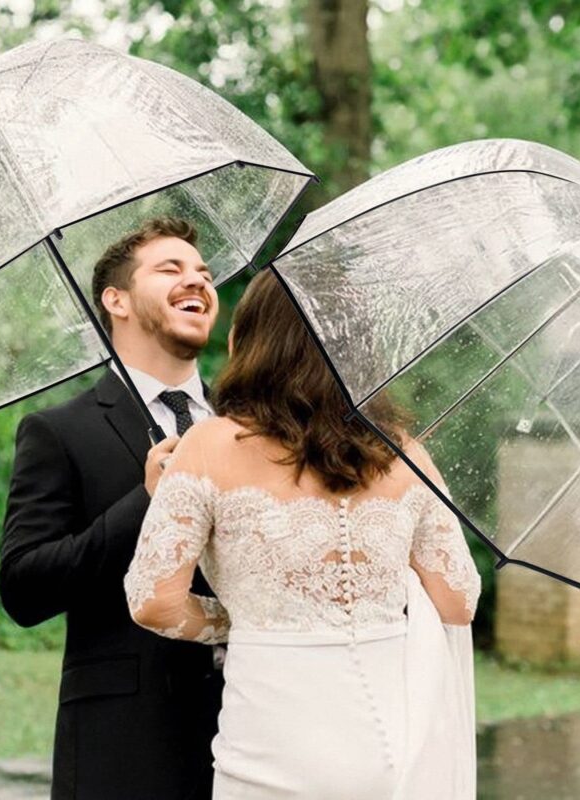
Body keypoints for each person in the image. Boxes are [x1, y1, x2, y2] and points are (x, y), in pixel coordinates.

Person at [124, 266, 483, 799]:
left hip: (270, 734)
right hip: (388, 739)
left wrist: (242, 619)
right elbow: (458, 601)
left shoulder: (207, 446)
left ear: (257, 340)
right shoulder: (402, 451)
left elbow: (152, 600)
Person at [0, 216, 226, 800]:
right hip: (123, 742)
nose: (197, 281)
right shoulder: (58, 430)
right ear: (116, 300)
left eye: (203, 272)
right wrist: (145, 500)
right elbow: (25, 589)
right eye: (170, 269)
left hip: (252, 724)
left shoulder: (249, 422)